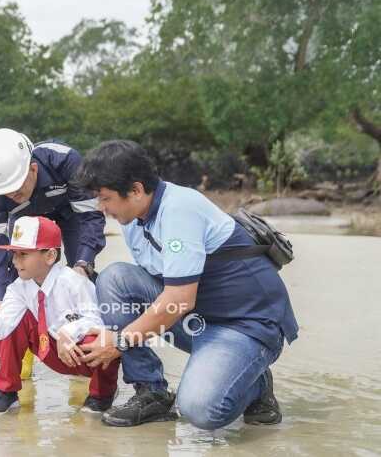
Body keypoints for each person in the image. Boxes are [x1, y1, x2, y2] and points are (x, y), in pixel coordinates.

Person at [75, 140, 298, 429]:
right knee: (115, 278)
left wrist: (119, 341)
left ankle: (255, 382)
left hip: (247, 324)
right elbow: (160, 289)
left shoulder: (179, 209)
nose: (102, 208)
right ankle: (151, 391)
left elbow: (179, 298)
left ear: (136, 190)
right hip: (200, 317)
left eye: (105, 199)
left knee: (200, 410)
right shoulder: (134, 219)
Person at [0, 216, 119, 415]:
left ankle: (102, 394)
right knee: (13, 323)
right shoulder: (18, 288)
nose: (15, 261)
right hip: (51, 348)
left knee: (102, 338)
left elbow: (96, 322)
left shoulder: (73, 281)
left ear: (49, 256)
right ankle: (6, 391)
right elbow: (1, 328)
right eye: (14, 254)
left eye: (23, 254)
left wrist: (66, 332)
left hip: (80, 352)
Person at [0, 128, 106, 380]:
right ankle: (22, 361)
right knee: (21, 273)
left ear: (33, 169)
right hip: (25, 222)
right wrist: (0, 297)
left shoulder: (67, 161)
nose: (12, 195)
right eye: (6, 192)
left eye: (17, 188)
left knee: (77, 280)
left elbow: (89, 218)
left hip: (70, 216)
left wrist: (83, 264)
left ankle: (81, 357)